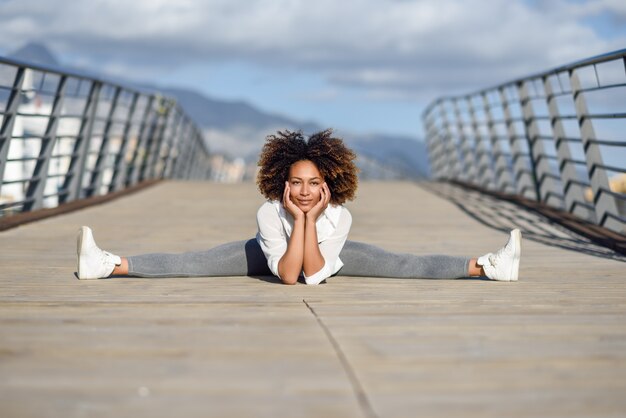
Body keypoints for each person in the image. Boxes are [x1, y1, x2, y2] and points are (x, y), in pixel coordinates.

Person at [77, 129, 521, 284]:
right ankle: (107, 264)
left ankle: (490, 266)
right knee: (194, 261)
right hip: (268, 256)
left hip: (326, 258)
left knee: (406, 263)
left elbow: (313, 274)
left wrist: (308, 220)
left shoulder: (339, 216)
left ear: (328, 183)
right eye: (296, 184)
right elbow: (288, 276)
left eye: (313, 184)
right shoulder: (269, 212)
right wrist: (298, 217)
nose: (305, 192)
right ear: (281, 183)